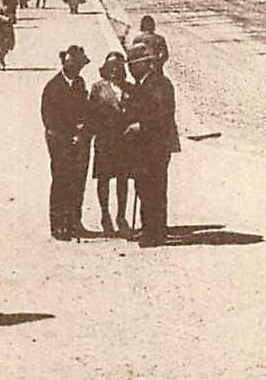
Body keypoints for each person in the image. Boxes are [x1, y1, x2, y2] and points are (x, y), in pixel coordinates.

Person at [123, 43, 180, 247]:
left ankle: (155, 232)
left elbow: (162, 115)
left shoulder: (159, 83)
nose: (130, 69)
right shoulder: (144, 83)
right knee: (144, 187)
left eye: (133, 65)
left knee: (153, 187)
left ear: (144, 64)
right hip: (145, 146)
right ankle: (149, 228)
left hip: (156, 145)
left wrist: (140, 125)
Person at [41, 45, 93, 240]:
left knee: (78, 181)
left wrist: (83, 129)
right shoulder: (53, 87)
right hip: (60, 142)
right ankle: (58, 226)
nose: (79, 69)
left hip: (79, 141)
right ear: (67, 65)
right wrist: (69, 136)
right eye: (76, 65)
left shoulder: (80, 83)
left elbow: (85, 109)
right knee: (61, 181)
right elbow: (50, 119)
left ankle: (74, 222)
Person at [89, 51, 134, 236]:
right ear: (105, 69)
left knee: (123, 180)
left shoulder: (131, 88)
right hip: (105, 140)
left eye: (118, 67)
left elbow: (136, 112)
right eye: (110, 68)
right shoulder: (98, 88)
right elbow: (91, 112)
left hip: (124, 141)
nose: (114, 71)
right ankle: (105, 215)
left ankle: (121, 217)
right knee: (104, 179)